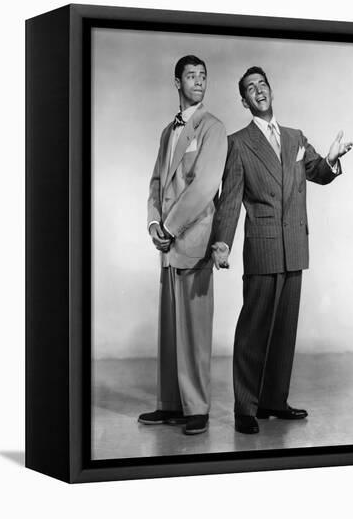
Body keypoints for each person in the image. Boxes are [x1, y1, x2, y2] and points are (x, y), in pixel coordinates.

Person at [212, 66, 353, 435]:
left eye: (263, 84)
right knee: (254, 330)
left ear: (271, 91)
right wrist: (222, 242)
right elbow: (229, 200)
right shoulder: (238, 143)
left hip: (295, 247)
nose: (259, 91)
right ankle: (246, 406)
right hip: (262, 248)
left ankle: (273, 401)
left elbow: (317, 173)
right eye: (250, 88)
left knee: (284, 331)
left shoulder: (295, 137)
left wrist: (332, 159)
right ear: (244, 101)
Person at [138, 55, 227, 435]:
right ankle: (171, 405)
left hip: (193, 239)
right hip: (168, 243)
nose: (198, 81)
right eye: (191, 76)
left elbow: (206, 187)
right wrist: (154, 222)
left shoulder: (213, 128)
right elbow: (156, 181)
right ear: (177, 83)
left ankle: (197, 408)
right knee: (170, 329)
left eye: (203, 76)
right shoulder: (167, 131)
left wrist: (170, 226)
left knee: (194, 330)